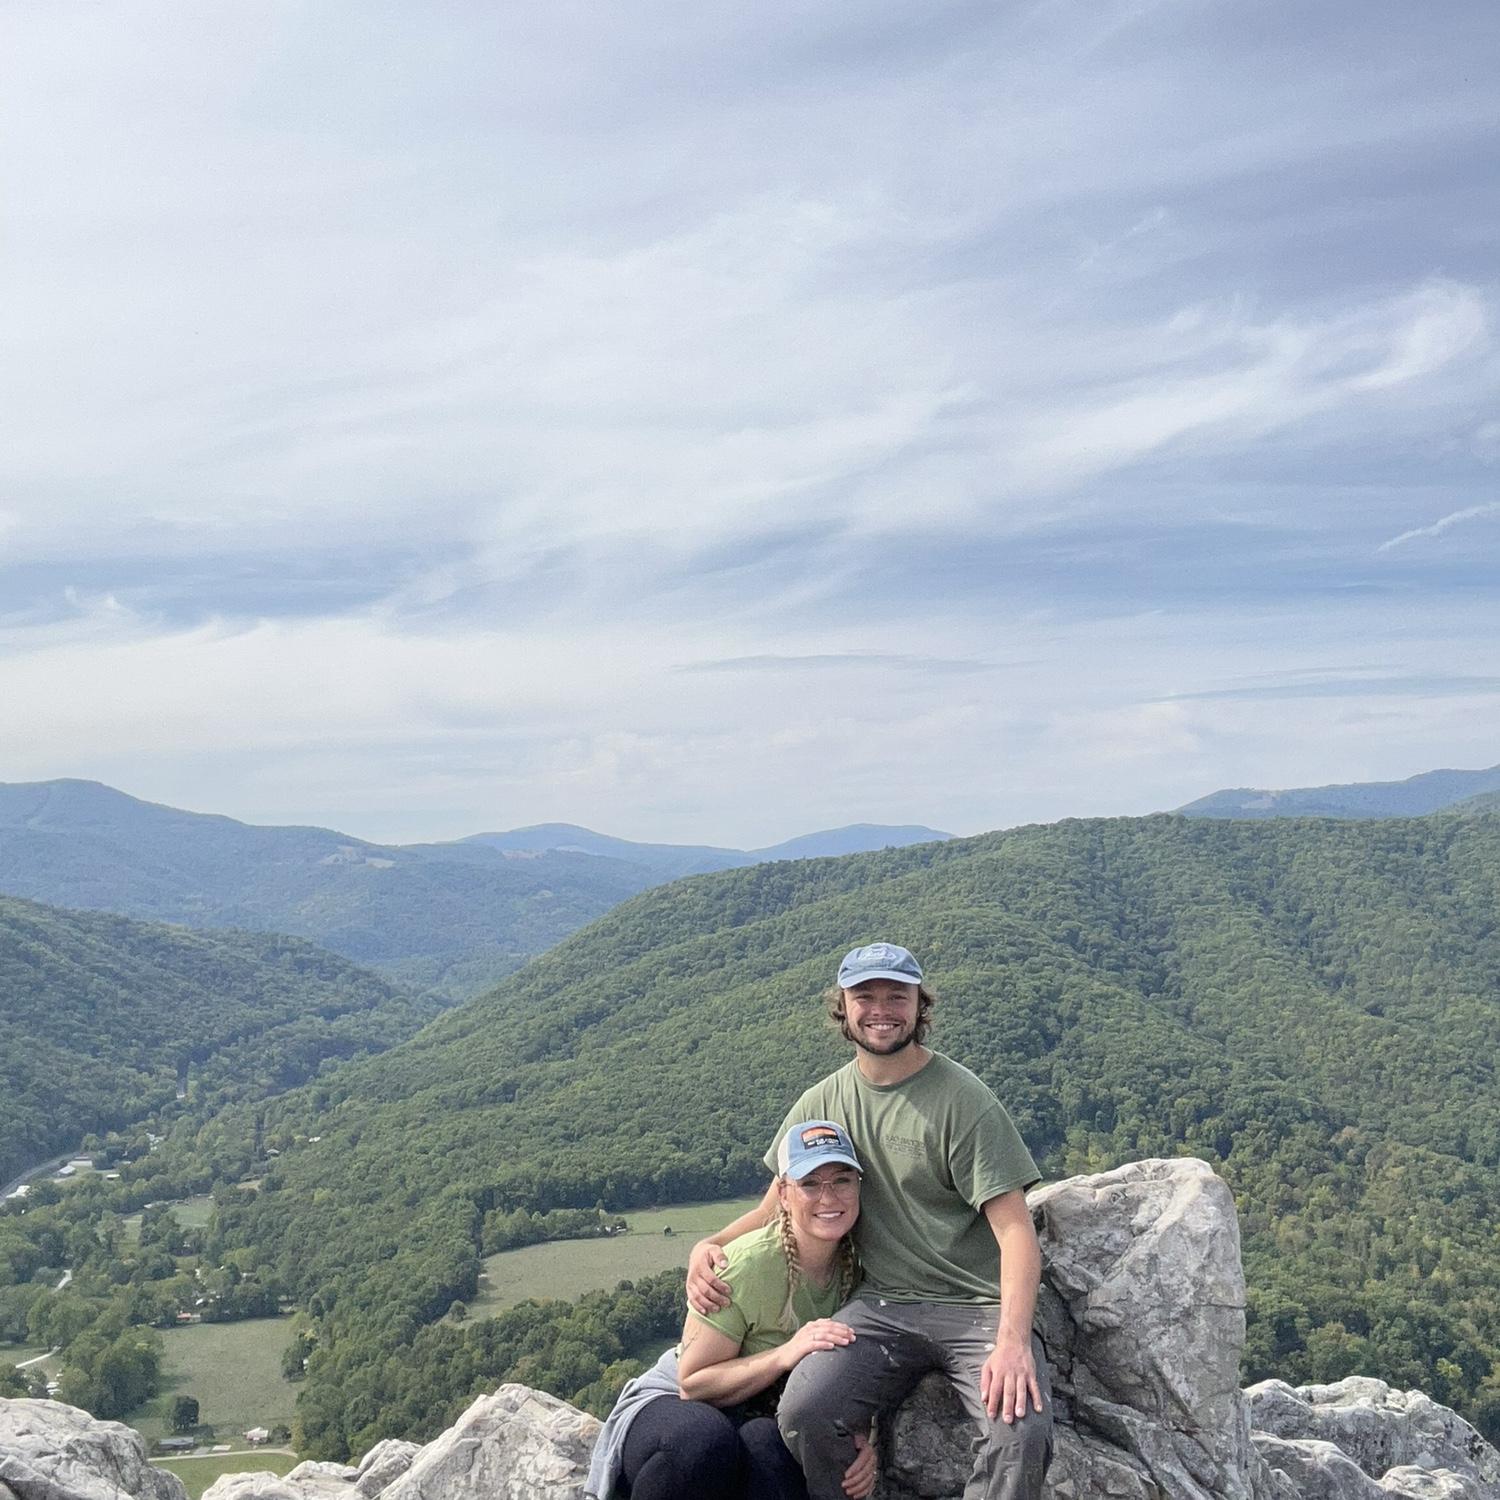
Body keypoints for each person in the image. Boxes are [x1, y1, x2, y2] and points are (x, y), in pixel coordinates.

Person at [687, 943, 1053, 1500]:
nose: (881, 1009)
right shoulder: (822, 1102)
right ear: (844, 1008)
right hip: (881, 1303)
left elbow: (1015, 1232)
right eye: (865, 997)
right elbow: (772, 1208)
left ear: (918, 1006)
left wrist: (1013, 1341)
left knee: (1019, 1433)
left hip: (977, 1306)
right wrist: (708, 1245)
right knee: (807, 1408)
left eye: (896, 996)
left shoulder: (963, 1100)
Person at [585, 1119, 878, 1500]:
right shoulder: (748, 1264)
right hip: (675, 1405)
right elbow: (694, 1382)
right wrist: (785, 1354)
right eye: (810, 1183)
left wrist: (859, 1440)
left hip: (759, 1413)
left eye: (842, 1180)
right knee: (703, 1440)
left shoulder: (858, 1265)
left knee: (772, 1453)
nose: (828, 1197)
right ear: (784, 1195)